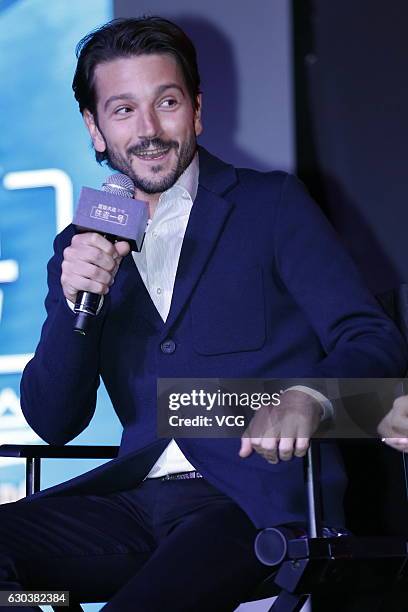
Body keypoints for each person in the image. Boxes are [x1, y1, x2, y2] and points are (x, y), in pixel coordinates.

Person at [0, 16, 406, 612]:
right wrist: (74, 302)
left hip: (250, 503)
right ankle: (49, 603)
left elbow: (371, 335)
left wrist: (308, 396)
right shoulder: (82, 244)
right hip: (136, 503)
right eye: (122, 111)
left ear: (196, 110)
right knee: (22, 589)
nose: (148, 130)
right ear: (94, 130)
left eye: (166, 102)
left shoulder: (269, 205)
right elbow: (53, 421)